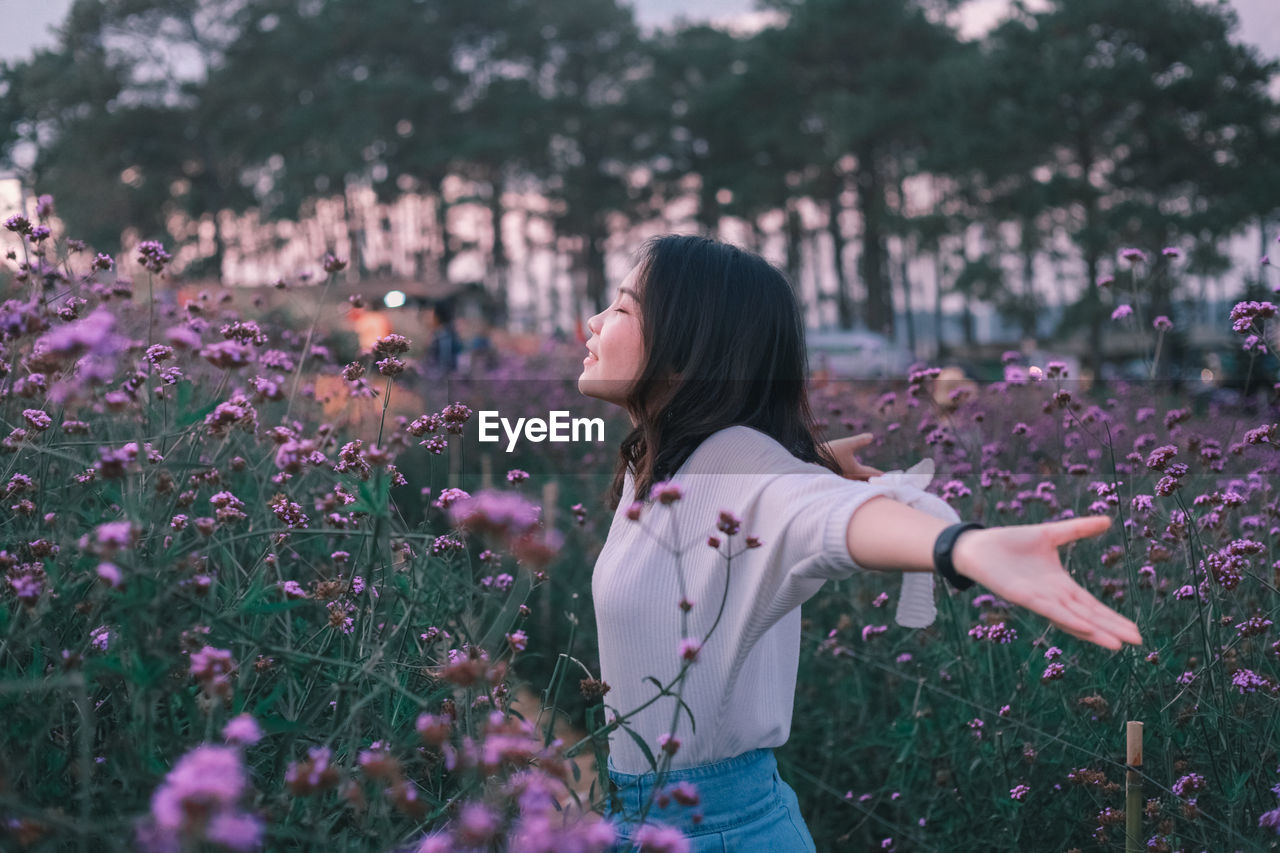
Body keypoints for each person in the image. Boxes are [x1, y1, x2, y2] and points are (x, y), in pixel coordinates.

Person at [576, 235, 1142, 852]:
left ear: (686, 354)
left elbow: (830, 514)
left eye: (623, 309)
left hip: (715, 831)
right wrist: (810, 462)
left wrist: (959, 546)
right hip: (639, 816)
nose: (593, 323)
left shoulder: (738, 464)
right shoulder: (662, 464)